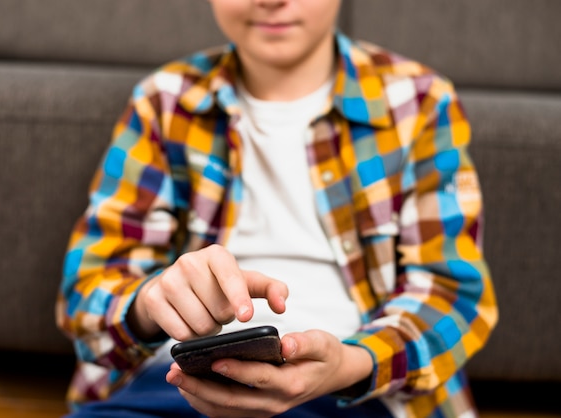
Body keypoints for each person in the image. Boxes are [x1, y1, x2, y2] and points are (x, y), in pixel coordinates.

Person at [56, 0, 498, 417]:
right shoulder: (162, 101)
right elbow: (87, 290)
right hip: (170, 386)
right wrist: (149, 304)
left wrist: (348, 364)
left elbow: (452, 295)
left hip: (357, 393)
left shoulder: (420, 102)